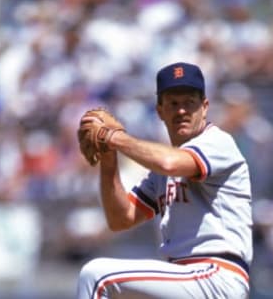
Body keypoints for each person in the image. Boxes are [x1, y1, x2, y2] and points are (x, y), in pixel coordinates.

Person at [76, 62, 253, 299]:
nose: (181, 110)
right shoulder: (162, 170)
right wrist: (109, 161)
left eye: (189, 102)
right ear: (160, 110)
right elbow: (121, 219)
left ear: (205, 107)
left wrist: (115, 137)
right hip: (183, 279)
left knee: (97, 276)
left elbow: (170, 163)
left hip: (215, 276)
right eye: (173, 103)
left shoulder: (218, 143)